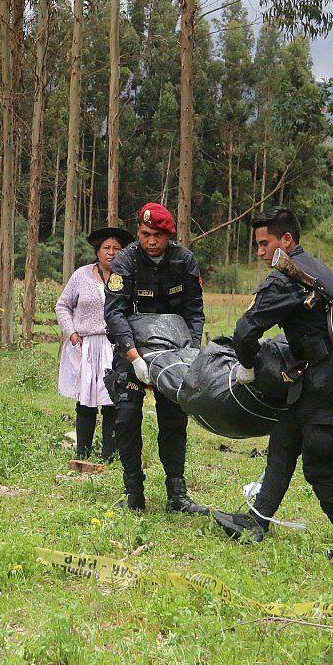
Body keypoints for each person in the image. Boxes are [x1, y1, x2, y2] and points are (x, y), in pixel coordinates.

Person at [213, 207, 333, 559]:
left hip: (329, 380)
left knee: (321, 469)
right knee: (283, 444)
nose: (259, 252)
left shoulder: (288, 276)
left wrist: (247, 365)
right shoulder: (316, 268)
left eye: (264, 243)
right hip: (320, 376)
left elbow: (247, 329)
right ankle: (255, 522)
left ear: (286, 240)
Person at [103, 202, 207, 514]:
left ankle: (177, 493)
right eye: (145, 234)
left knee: (174, 419)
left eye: (158, 236)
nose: (151, 241)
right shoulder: (126, 261)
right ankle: (133, 490)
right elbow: (114, 313)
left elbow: (194, 311)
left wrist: (193, 353)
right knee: (126, 416)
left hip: (174, 353)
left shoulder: (184, 260)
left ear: (169, 235)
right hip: (132, 349)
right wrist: (134, 357)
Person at [56, 226, 133, 461]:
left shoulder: (128, 278)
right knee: (86, 400)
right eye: (106, 248)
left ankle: (108, 455)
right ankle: (83, 452)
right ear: (97, 252)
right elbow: (63, 305)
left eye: (116, 249)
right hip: (86, 346)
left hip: (115, 347)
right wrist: (71, 333)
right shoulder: (81, 275)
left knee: (112, 400)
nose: (111, 252)